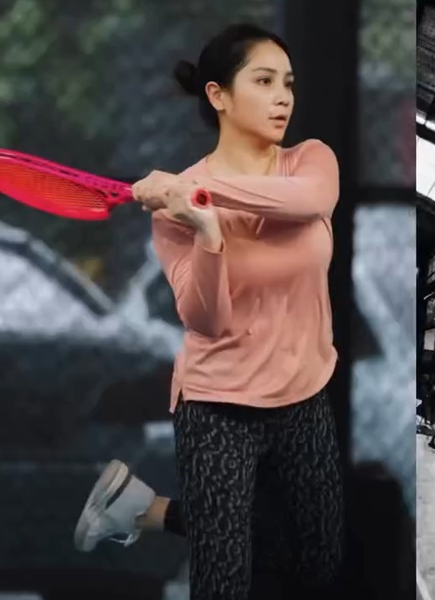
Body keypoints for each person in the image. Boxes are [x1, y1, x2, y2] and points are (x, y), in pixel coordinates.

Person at [70, 23, 344, 598]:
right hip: (219, 405)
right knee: (225, 578)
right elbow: (207, 320)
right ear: (218, 95)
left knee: (315, 562)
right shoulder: (174, 207)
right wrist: (206, 230)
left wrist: (202, 194)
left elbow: (312, 203)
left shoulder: (309, 162)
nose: (283, 97)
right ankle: (137, 508)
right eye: (264, 81)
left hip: (304, 396)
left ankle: (139, 508)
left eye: (288, 83)